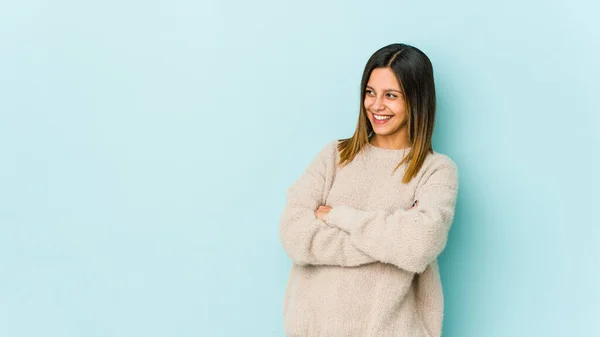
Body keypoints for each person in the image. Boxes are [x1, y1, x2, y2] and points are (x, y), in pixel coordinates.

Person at [278, 43, 459, 337]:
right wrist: (389, 241)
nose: (376, 105)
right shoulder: (334, 156)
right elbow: (294, 234)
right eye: (370, 92)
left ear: (417, 100)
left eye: (391, 96)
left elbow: (418, 245)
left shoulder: (436, 170)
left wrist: (340, 217)